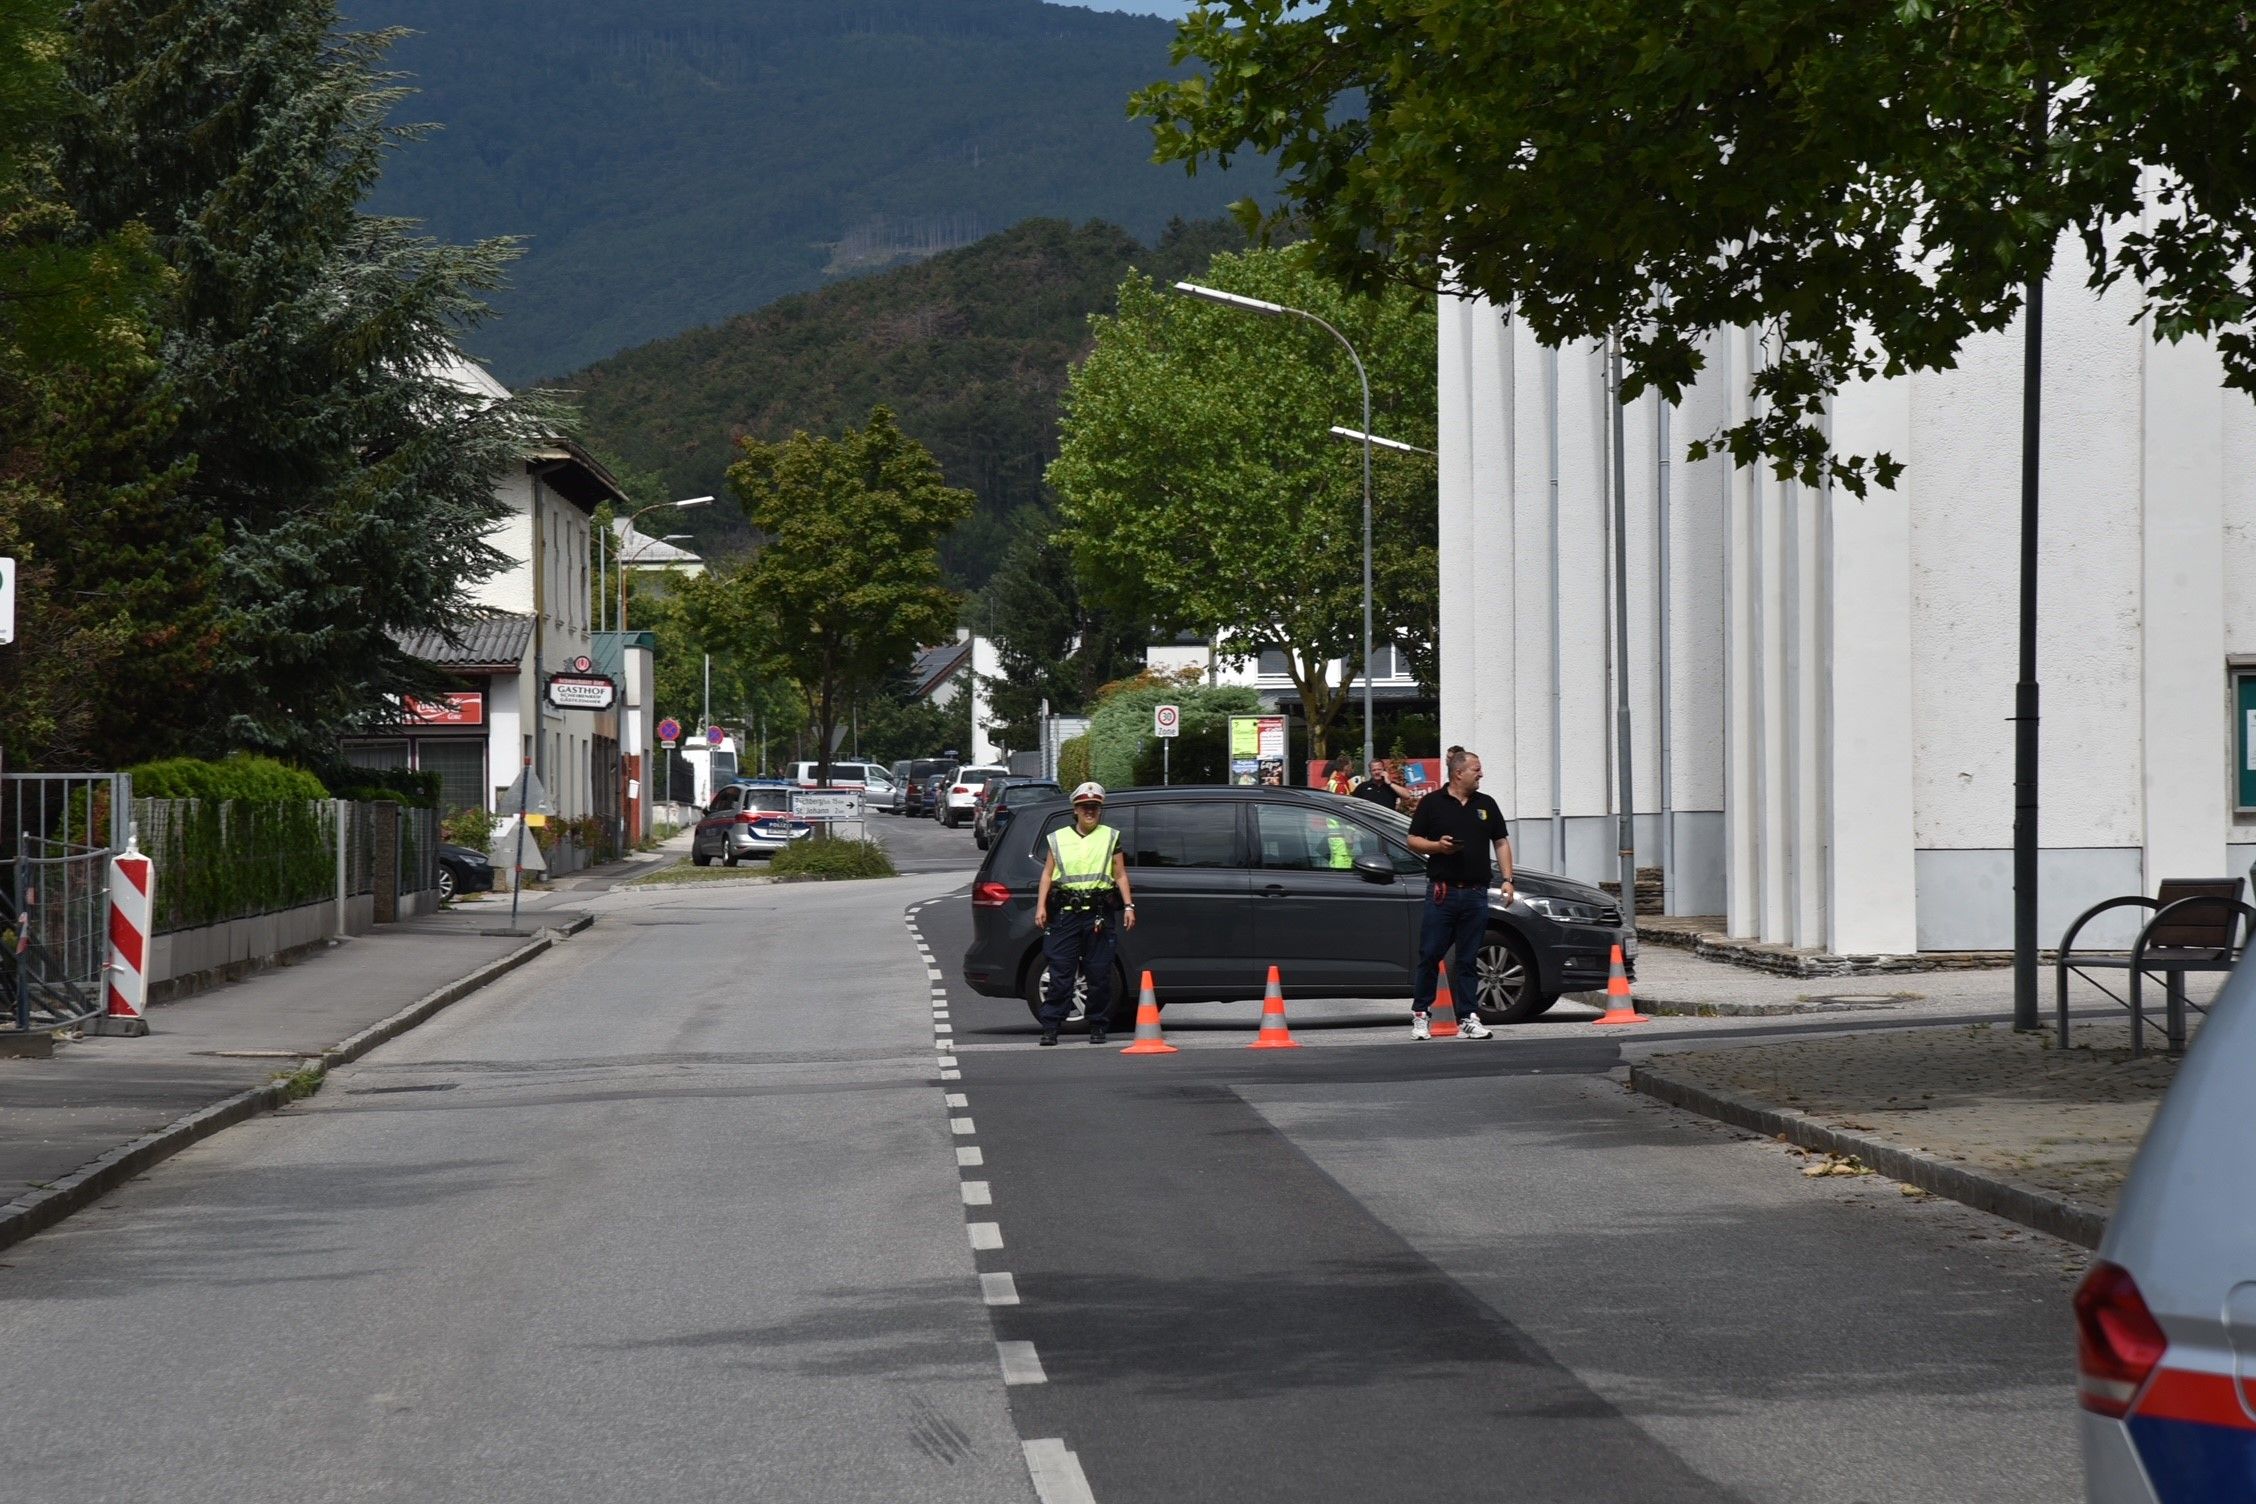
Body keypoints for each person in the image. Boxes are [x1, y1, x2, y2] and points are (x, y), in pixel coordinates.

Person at [1404, 748, 1513, 1041]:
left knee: (1467, 959)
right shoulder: (1432, 803)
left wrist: (1507, 880)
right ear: (1458, 773)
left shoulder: (1486, 804)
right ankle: (1420, 1015)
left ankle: (1468, 1018)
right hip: (1443, 893)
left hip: (1476, 893)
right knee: (1430, 954)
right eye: (1476, 769)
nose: (1481, 774)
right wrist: (1438, 847)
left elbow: (1500, 842)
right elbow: (1413, 840)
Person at [1032, 781, 1136, 1046]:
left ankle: (1098, 1025)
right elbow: (1047, 875)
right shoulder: (1058, 838)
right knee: (1060, 973)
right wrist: (1041, 906)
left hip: (1098, 913)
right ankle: (1051, 1027)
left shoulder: (1110, 836)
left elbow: (1120, 874)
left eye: (1094, 807)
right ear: (1075, 810)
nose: (1090, 811)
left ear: (1100, 810)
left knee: (1099, 974)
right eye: (1084, 807)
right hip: (1065, 915)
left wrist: (1128, 906)